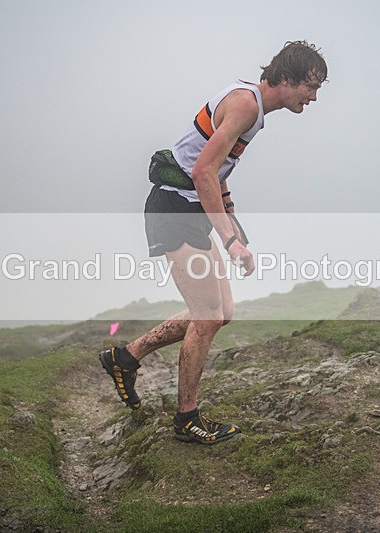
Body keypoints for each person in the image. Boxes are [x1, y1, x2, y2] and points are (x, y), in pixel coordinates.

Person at [100, 40, 327, 445]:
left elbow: (217, 170)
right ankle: (187, 419)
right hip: (174, 207)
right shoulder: (246, 104)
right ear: (288, 78)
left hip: (189, 209)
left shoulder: (254, 110)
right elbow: (203, 171)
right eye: (311, 87)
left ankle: (126, 356)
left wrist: (232, 220)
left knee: (220, 313)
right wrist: (229, 241)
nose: (313, 97)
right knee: (205, 316)